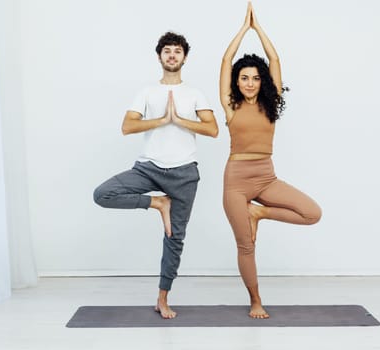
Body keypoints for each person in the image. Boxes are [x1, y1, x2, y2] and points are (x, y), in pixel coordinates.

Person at [93, 31, 219, 319]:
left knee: (174, 237)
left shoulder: (195, 93)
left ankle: (162, 298)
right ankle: (157, 203)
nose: (172, 55)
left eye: (177, 51)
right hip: (148, 169)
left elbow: (212, 129)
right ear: (160, 56)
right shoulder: (147, 92)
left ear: (184, 57)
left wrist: (179, 120)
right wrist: (163, 119)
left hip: (184, 174)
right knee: (102, 194)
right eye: (167, 50)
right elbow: (127, 126)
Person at [219, 2, 322, 319]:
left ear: (262, 81)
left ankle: (260, 212)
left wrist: (257, 28)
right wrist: (241, 30)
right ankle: (255, 300)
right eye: (244, 78)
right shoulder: (230, 105)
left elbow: (275, 59)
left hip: (266, 177)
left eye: (254, 78)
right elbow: (225, 60)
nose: (249, 83)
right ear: (237, 81)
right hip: (236, 180)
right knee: (246, 246)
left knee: (312, 213)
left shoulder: (271, 102)